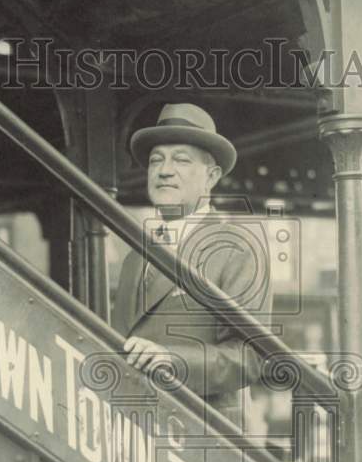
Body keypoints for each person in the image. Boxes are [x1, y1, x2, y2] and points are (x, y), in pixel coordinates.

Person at [113, 103, 272, 427]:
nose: (164, 170)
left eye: (181, 160)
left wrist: (172, 359)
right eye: (156, 160)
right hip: (132, 430)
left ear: (211, 176)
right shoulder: (134, 256)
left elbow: (251, 357)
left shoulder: (238, 248)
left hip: (203, 435)